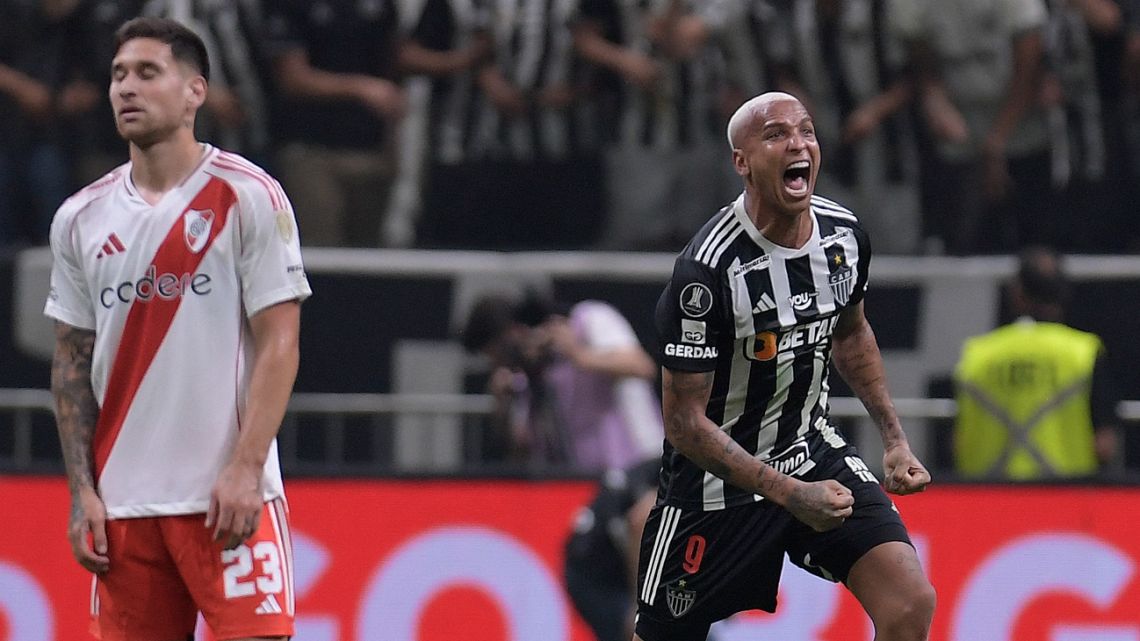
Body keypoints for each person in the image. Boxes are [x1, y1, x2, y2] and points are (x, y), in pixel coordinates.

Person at [45, 16, 311, 640]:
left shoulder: (247, 196)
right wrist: (82, 492)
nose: (125, 89)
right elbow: (71, 363)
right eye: (116, 76)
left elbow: (281, 340)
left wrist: (246, 468)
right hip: (125, 509)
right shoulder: (79, 218)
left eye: (146, 73)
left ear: (195, 91)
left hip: (226, 500)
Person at [639, 91, 935, 641]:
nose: (798, 143)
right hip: (714, 487)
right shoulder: (705, 274)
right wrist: (790, 495)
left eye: (807, 131)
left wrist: (893, 439)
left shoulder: (844, 237)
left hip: (809, 450)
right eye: (776, 134)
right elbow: (683, 423)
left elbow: (851, 334)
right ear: (742, 162)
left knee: (910, 602)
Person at [953, 246, 1120, 479]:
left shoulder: (977, 354)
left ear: (1017, 292)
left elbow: (958, 441)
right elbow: (1105, 443)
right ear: (1064, 292)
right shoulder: (1084, 352)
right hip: (1066, 496)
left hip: (988, 497)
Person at [461, 291, 663, 472]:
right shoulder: (529, 379)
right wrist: (504, 405)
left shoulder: (589, 320)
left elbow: (641, 366)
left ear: (517, 332)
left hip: (638, 462)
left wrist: (579, 355)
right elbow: (524, 449)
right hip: (587, 479)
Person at [564, 458, 660, 641]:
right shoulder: (688, 473)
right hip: (594, 572)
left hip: (613, 562)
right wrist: (641, 605)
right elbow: (642, 520)